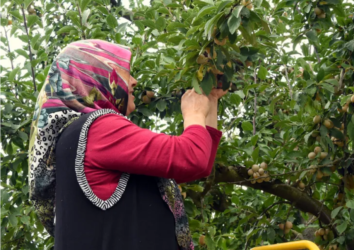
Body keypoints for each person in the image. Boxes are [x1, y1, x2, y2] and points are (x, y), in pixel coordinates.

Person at [28, 39, 227, 250]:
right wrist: (194, 112)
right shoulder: (98, 129)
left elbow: (200, 162)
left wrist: (210, 101)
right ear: (97, 74)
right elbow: (191, 157)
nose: (134, 81)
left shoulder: (76, 136)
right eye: (124, 72)